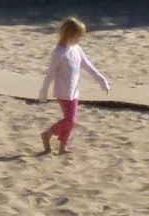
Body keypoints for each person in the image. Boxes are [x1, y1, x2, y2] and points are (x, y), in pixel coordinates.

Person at [38, 16, 110, 155]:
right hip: (63, 92)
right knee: (70, 120)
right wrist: (44, 90)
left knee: (71, 120)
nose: (80, 39)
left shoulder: (76, 49)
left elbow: (88, 66)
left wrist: (101, 80)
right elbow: (50, 72)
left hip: (73, 91)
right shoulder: (59, 52)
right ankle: (47, 134)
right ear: (69, 34)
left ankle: (62, 147)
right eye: (78, 36)